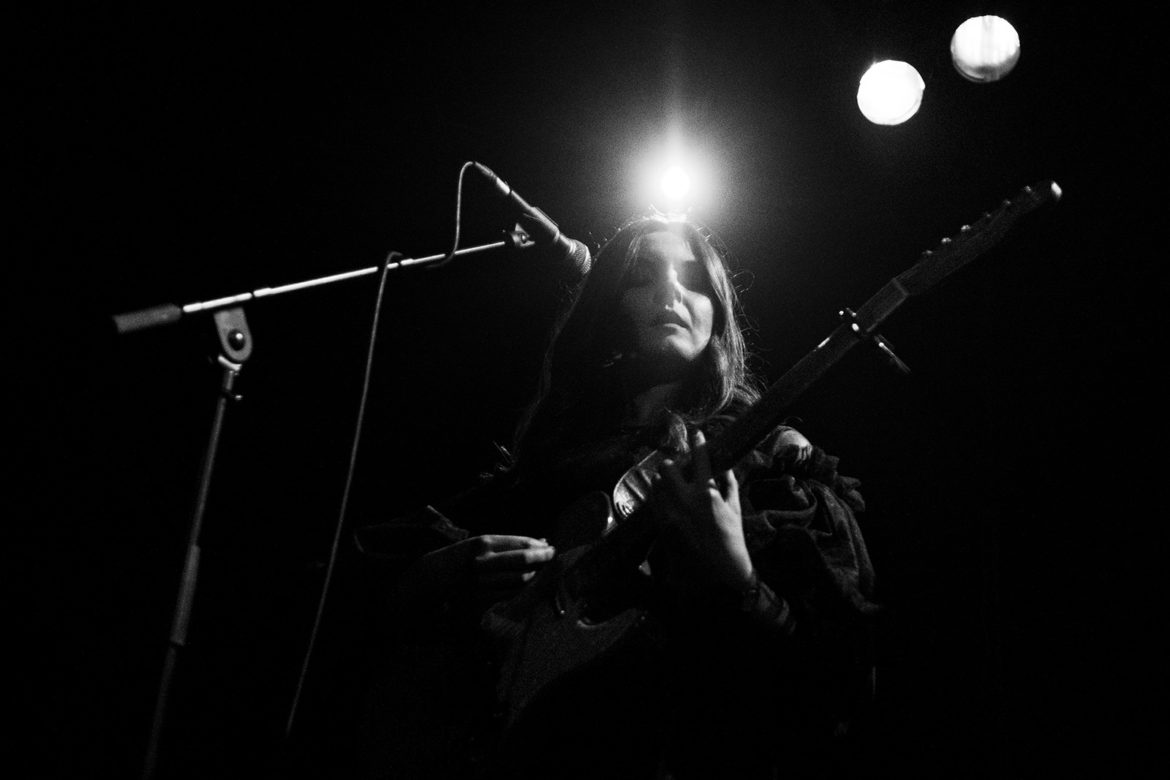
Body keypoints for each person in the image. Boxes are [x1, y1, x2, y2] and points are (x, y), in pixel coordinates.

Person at [353, 214, 879, 779]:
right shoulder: (540, 474)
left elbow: (837, 685)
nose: (671, 289)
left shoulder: (767, 464)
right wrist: (430, 577)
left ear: (717, 314)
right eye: (642, 276)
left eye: (693, 278)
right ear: (604, 309)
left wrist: (739, 576)